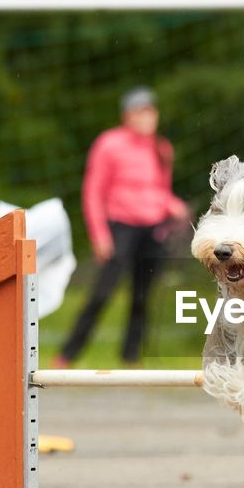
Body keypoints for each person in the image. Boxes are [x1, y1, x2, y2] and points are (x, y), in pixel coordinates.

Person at [54, 87, 189, 367]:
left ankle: (131, 357)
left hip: (152, 231)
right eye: (140, 111)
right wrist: (100, 235)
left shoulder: (161, 148)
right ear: (127, 116)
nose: (147, 117)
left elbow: (159, 190)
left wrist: (173, 205)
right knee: (101, 294)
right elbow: (93, 192)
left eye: (150, 110)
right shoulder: (109, 144)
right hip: (121, 229)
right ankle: (67, 355)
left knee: (142, 297)